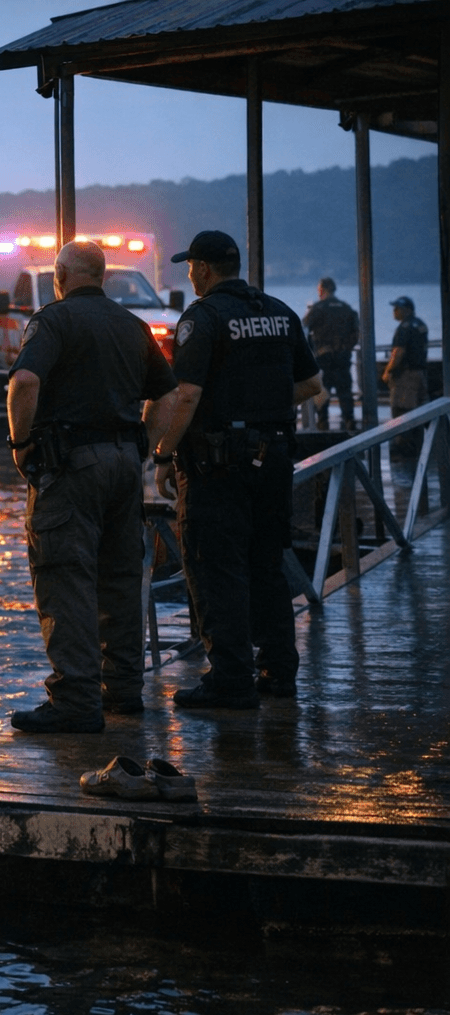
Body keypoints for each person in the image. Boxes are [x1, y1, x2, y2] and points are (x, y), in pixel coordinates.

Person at [5, 240, 178, 733]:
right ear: (102, 276)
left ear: (61, 274)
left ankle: (76, 701)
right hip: (125, 465)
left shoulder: (52, 320)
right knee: (121, 578)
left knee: (66, 577)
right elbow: (166, 395)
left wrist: (20, 445)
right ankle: (122, 691)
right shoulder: (133, 324)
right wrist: (143, 443)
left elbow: (24, 385)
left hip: (70, 465)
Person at [152, 230, 323, 706]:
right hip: (273, 462)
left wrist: (164, 453)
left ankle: (231, 678)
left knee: (216, 568)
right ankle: (279, 671)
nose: (189, 273)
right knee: (267, 566)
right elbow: (311, 384)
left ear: (204, 270)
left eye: (191, 266)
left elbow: (186, 395)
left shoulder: (202, 318)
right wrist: (263, 403)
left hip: (217, 468)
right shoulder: (279, 312)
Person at [302, 277, 360, 431]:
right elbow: (357, 334)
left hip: (323, 358)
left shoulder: (318, 308)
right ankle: (350, 423)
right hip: (343, 358)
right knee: (345, 394)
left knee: (322, 395)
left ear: (321, 290)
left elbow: (303, 327)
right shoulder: (347, 308)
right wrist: (346, 347)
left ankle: (323, 425)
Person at [381, 295, 429, 459]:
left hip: (406, 377)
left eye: (397, 308)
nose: (394, 311)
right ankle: (419, 448)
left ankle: (404, 453)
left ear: (407, 310)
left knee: (402, 413)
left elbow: (398, 352)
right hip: (420, 374)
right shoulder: (420, 324)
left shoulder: (405, 327)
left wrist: (388, 371)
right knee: (419, 413)